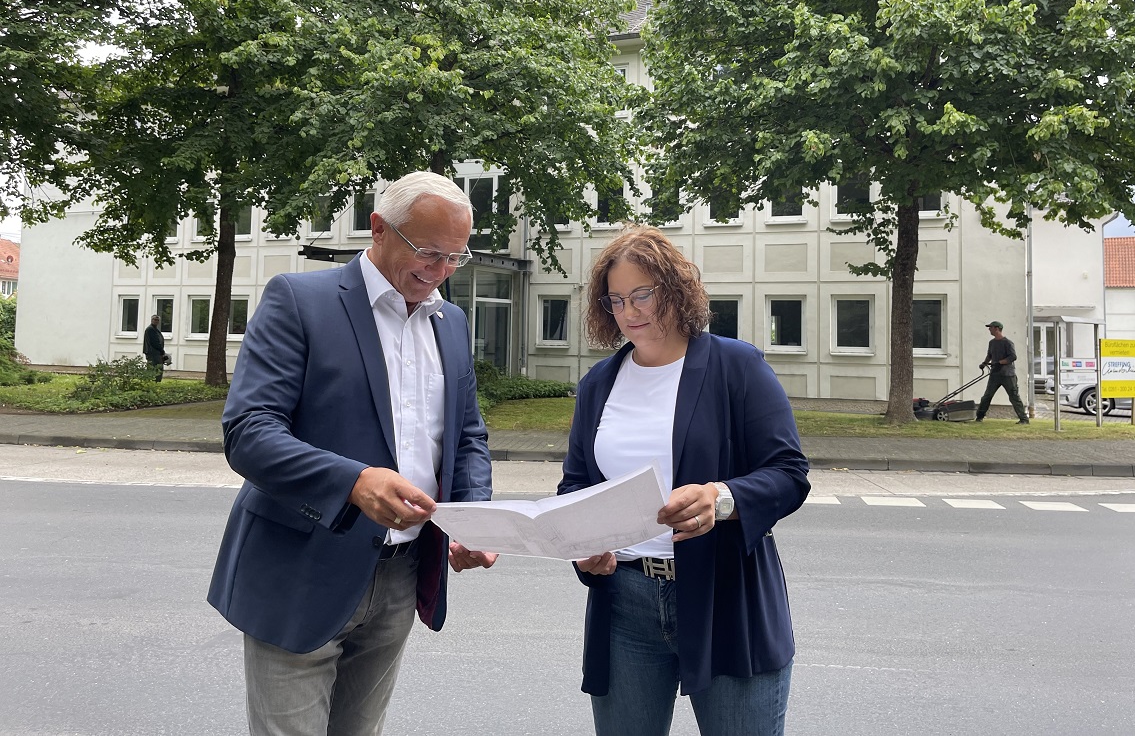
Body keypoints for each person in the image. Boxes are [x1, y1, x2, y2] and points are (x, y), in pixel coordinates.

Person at [207, 171, 497, 736]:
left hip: (402, 574)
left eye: (454, 259)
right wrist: (352, 482)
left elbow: (467, 437)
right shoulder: (299, 300)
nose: (439, 273)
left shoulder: (451, 321)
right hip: (301, 571)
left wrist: (473, 515)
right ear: (380, 229)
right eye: (429, 253)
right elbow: (248, 430)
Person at [557, 225, 810, 736]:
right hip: (624, 602)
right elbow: (577, 486)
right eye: (615, 300)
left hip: (726, 596)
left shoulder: (736, 366)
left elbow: (789, 474)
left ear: (676, 287)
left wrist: (722, 497)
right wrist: (583, 543)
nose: (629, 311)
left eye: (642, 294)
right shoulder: (598, 384)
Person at [975, 320, 1029, 424]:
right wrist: (984, 363)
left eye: (990, 328)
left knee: (1014, 396)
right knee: (987, 396)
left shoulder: (1007, 343)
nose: (989, 329)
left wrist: (1000, 362)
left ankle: (1024, 419)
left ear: (997, 329)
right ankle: (979, 417)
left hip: (1007, 375)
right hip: (995, 374)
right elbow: (989, 355)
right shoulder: (992, 343)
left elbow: (1013, 357)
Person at [142, 314, 165, 382]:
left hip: (156, 352)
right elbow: (155, 342)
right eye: (154, 319)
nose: (156, 321)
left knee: (156, 368)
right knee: (155, 368)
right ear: (151, 320)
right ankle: (154, 382)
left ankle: (155, 382)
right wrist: (161, 350)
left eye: (157, 320)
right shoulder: (150, 329)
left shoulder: (155, 329)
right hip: (153, 353)